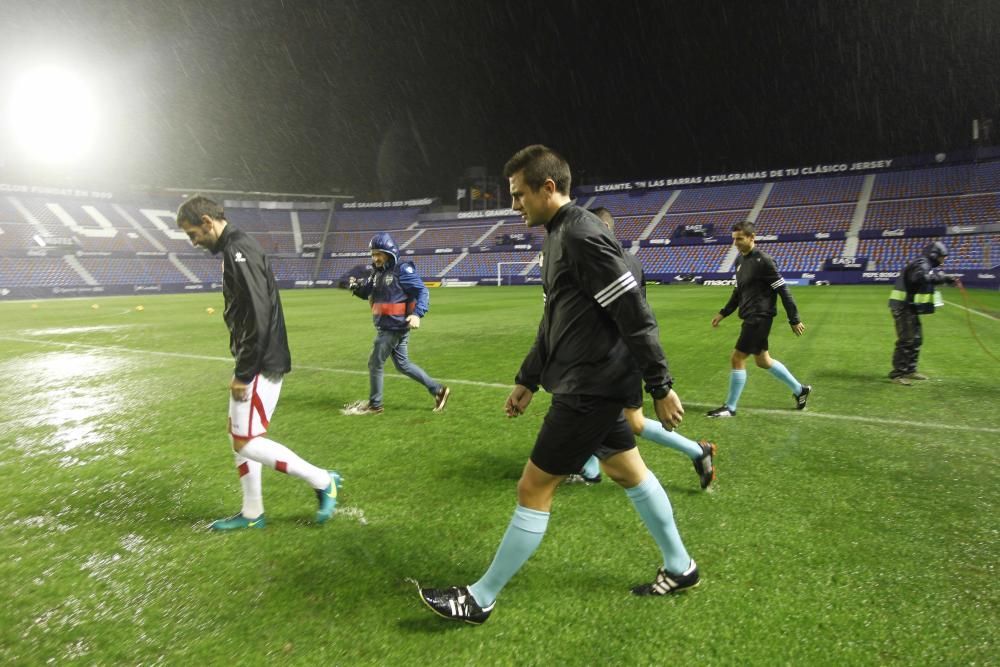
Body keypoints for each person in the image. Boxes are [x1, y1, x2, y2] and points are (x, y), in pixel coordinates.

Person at [419, 145, 699, 625]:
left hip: (589, 388)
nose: (513, 205)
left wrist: (661, 383)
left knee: (533, 486)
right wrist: (527, 379)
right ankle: (681, 567)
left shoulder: (582, 236)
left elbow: (634, 312)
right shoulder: (557, 237)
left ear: (548, 188)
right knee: (627, 471)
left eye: (518, 194)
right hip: (589, 382)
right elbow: (554, 321)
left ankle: (480, 598)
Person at [176, 196, 341, 530]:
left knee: (246, 441)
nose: (193, 242)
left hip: (261, 362)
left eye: (193, 233)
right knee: (238, 435)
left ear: (208, 221)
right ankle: (252, 513)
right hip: (256, 358)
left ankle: (323, 481)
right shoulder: (234, 248)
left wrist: (243, 372)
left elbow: (258, 316)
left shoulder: (239, 251)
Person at [571, 207, 716, 490]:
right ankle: (698, 452)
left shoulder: (606, 263)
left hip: (611, 357)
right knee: (623, 419)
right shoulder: (630, 261)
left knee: (594, 410)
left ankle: (591, 470)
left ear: (603, 228)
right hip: (624, 355)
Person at [706, 220, 810, 418]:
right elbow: (738, 292)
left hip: (760, 317)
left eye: (740, 239)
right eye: (734, 239)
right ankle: (800, 390)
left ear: (752, 238)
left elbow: (783, 290)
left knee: (737, 358)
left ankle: (730, 407)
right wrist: (723, 313)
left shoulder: (764, 261)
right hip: (751, 315)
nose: (735, 243)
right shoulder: (739, 261)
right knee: (763, 361)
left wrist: (794, 319)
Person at [344, 232, 449, 414]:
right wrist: (356, 288)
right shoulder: (376, 273)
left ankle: (375, 405)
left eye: (379, 254)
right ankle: (438, 390)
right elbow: (367, 292)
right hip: (390, 326)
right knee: (403, 365)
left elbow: (422, 291)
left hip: (393, 328)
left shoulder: (402, 271)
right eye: (373, 254)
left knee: (374, 363)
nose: (375, 258)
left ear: (389, 253)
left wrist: (417, 314)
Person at [888, 240, 960, 385]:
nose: (943, 260)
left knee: (916, 339)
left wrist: (941, 278)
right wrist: (943, 278)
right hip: (903, 305)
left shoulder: (925, 263)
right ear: (934, 254)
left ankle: (910, 370)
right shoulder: (922, 263)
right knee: (907, 340)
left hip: (910, 306)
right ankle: (898, 374)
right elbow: (920, 278)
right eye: (942, 257)